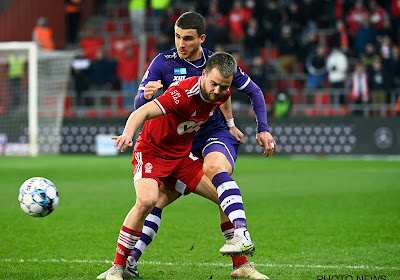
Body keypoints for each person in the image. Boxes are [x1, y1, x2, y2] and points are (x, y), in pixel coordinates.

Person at [98, 12, 275, 280]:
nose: (181, 43)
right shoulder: (173, 78)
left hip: (191, 146)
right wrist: (131, 127)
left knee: (221, 193)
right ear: (204, 76)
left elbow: (230, 94)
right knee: (149, 201)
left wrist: (231, 124)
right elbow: (141, 109)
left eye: (188, 38)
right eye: (177, 37)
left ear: (201, 39)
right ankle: (121, 264)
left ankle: (241, 265)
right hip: (157, 147)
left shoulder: (218, 70)